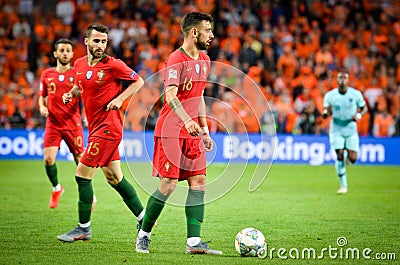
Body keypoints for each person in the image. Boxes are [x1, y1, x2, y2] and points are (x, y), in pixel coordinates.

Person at [135, 12, 222, 255]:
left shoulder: (204, 60)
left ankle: (193, 243)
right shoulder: (175, 59)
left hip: (193, 132)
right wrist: (187, 120)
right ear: (194, 32)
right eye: (208, 30)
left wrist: (204, 130)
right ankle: (144, 234)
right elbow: (171, 96)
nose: (212, 35)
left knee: (199, 181)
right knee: (168, 185)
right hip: (171, 130)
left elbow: (200, 97)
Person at [58, 23, 145, 242]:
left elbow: (139, 81)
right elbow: (81, 86)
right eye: (96, 41)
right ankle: (145, 218)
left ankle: (83, 228)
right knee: (114, 178)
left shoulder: (113, 64)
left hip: (108, 128)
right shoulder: (78, 64)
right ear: (86, 41)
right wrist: (71, 93)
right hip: (96, 127)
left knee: (82, 175)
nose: (100, 45)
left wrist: (119, 99)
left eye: (104, 41)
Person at [38, 38, 85, 209]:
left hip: (73, 123)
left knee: (80, 162)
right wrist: (42, 107)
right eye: (62, 50)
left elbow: (85, 98)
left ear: (72, 54)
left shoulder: (77, 74)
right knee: (49, 159)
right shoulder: (47, 74)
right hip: (53, 124)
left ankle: (88, 196)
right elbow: (41, 97)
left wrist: (86, 115)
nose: (65, 53)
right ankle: (57, 188)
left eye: (68, 51)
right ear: (55, 53)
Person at [322, 70, 367, 194]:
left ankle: (347, 159)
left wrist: (359, 115)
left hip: (351, 128)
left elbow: (364, 108)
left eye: (344, 78)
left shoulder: (355, 94)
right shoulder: (330, 95)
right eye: (340, 78)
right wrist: (325, 113)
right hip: (337, 128)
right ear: (337, 80)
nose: (342, 80)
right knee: (339, 154)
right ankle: (343, 185)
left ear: (348, 80)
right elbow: (325, 111)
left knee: (353, 159)